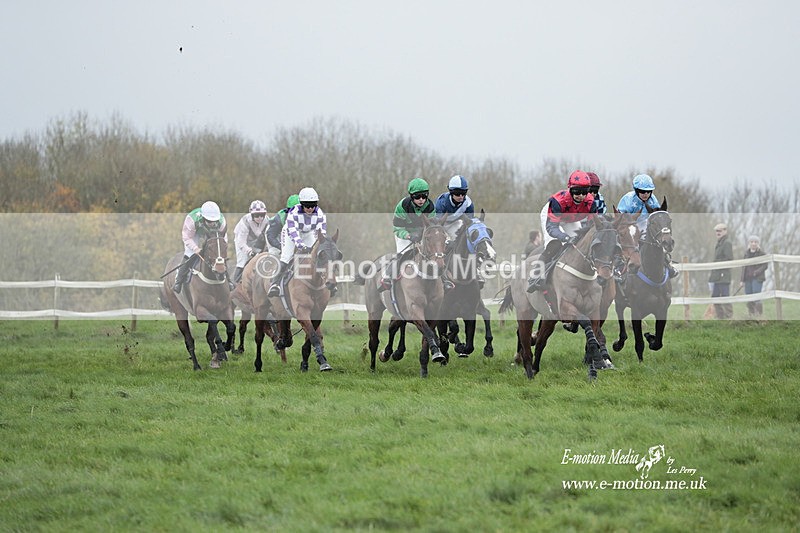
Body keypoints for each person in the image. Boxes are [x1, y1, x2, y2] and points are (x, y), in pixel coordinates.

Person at [527, 171, 596, 293]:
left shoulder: (591, 203)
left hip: (571, 219)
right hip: (552, 219)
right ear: (570, 189)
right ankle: (536, 276)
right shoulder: (558, 201)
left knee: (581, 243)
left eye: (584, 192)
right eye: (577, 191)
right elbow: (552, 228)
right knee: (554, 244)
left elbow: (592, 226)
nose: (580, 195)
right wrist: (565, 237)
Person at [380, 178, 453, 291]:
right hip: (404, 233)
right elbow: (397, 228)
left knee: (435, 253)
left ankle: (444, 279)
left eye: (424, 196)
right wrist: (409, 236)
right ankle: (388, 277)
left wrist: (423, 235)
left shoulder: (430, 206)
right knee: (403, 253)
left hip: (422, 234)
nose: (421, 199)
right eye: (417, 197)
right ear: (411, 196)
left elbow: (431, 226)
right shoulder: (403, 206)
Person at [268, 187, 327, 297]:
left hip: (308, 233)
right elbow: (293, 233)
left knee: (317, 254)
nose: (310, 208)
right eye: (307, 205)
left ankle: (325, 281)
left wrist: (321, 245)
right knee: (286, 257)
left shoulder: (320, 214)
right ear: (301, 204)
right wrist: (301, 245)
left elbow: (321, 233)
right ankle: (274, 284)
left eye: (313, 205)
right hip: (290, 233)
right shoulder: (293, 213)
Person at [173, 201, 228, 294]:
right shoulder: (192, 219)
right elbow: (186, 237)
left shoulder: (222, 221)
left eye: (215, 221)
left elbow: (223, 240)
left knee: (219, 256)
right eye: (209, 221)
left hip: (213, 235)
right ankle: (178, 281)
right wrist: (195, 248)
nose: (212, 224)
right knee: (190, 254)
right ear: (203, 218)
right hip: (194, 234)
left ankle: (229, 281)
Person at [232, 200, 270, 284]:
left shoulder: (267, 220)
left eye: (262, 215)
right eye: (256, 215)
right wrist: (250, 252)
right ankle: (235, 283)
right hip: (241, 240)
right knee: (242, 261)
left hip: (257, 239)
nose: (260, 218)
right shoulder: (245, 222)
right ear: (251, 215)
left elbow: (268, 237)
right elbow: (241, 242)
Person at [434, 175, 475, 239]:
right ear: (451, 192)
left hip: (456, 224)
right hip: (441, 224)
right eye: (457, 193)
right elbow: (438, 224)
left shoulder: (468, 203)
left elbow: (469, 223)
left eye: (464, 193)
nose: (461, 196)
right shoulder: (441, 202)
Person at [709, 222, 734, 319]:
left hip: (723, 274)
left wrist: (717, 264)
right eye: (716, 231)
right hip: (717, 275)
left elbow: (729, 259)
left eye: (720, 231)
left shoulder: (727, 243)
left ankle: (729, 316)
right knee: (715, 296)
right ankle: (721, 317)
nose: (718, 233)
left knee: (725, 296)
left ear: (725, 231)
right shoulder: (719, 243)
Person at [740, 235, 767, 317]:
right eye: (752, 242)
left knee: (756, 294)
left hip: (757, 278)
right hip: (748, 278)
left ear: (758, 243)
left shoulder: (762, 254)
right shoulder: (746, 254)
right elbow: (744, 267)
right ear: (749, 243)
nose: (753, 244)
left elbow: (765, 265)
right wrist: (742, 280)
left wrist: (757, 272)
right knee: (748, 295)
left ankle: (759, 316)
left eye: (755, 242)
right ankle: (751, 315)